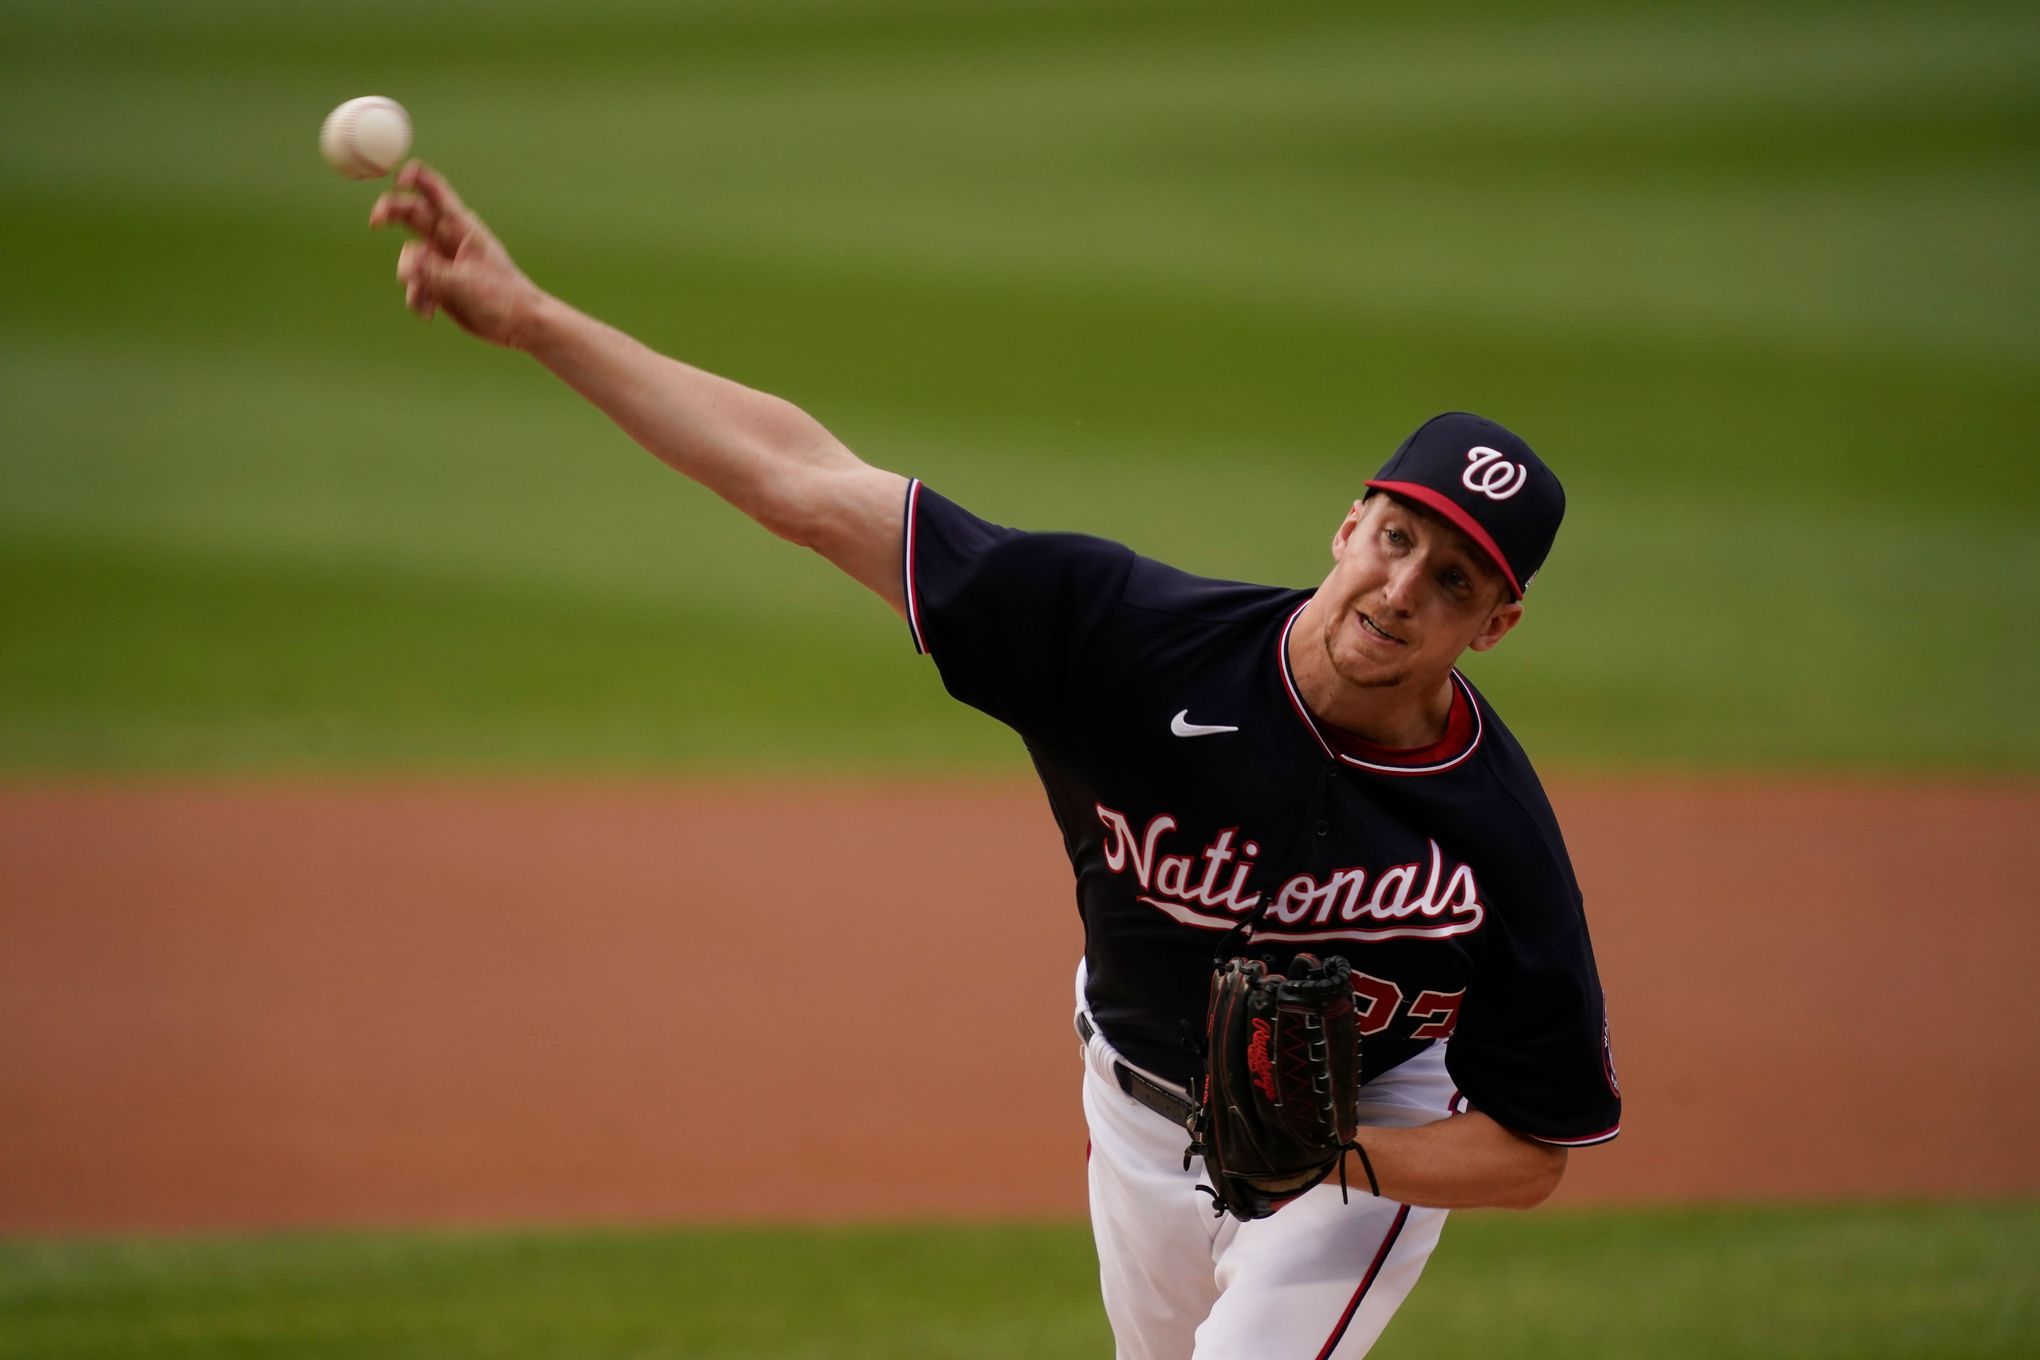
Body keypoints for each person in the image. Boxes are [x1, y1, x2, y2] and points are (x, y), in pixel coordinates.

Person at [369, 161, 1621, 1358]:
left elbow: (1536, 1147)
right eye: (1395, 537)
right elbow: (802, 483)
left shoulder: (1494, 833)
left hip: (1360, 1145)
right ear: (1349, 522)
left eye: (1452, 580)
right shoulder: (1119, 639)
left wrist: (1341, 1154)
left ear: (1493, 625)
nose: (1400, 589)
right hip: (1132, 1114)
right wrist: (533, 318)